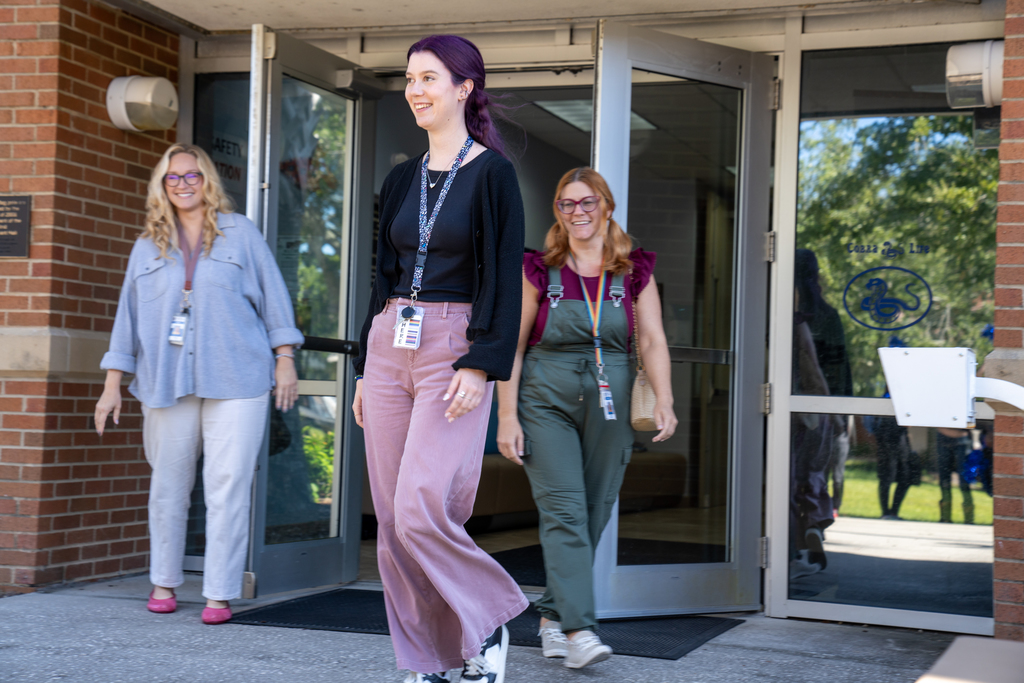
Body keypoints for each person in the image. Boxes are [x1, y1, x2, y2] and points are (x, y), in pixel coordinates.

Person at [350, 35, 527, 683]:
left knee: (425, 504)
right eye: (410, 79)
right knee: (394, 521)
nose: (416, 90)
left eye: (429, 77)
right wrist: (367, 367)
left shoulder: (493, 175)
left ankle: (491, 616)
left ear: (464, 88)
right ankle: (427, 659)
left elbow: (504, 278)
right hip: (391, 338)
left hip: (455, 346)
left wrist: (482, 361)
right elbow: (381, 276)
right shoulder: (401, 177)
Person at [94, 143, 303, 625]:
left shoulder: (241, 234)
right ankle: (164, 582)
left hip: (238, 376)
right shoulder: (147, 245)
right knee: (167, 485)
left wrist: (285, 358)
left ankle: (219, 592)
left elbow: (274, 297)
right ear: (161, 186)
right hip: (164, 380)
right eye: (173, 178)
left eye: (192, 176)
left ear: (207, 180)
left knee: (227, 486)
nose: (183, 185)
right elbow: (126, 319)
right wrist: (111, 383)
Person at [496, 167, 677, 669]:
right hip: (545, 399)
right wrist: (506, 417)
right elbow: (511, 347)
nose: (578, 212)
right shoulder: (539, 269)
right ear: (558, 211)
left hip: (611, 399)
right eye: (567, 204)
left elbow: (653, 340)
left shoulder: (633, 270)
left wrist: (664, 398)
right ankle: (580, 629)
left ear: (607, 206)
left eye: (588, 202)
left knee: (595, 510)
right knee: (566, 512)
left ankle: (552, 616)